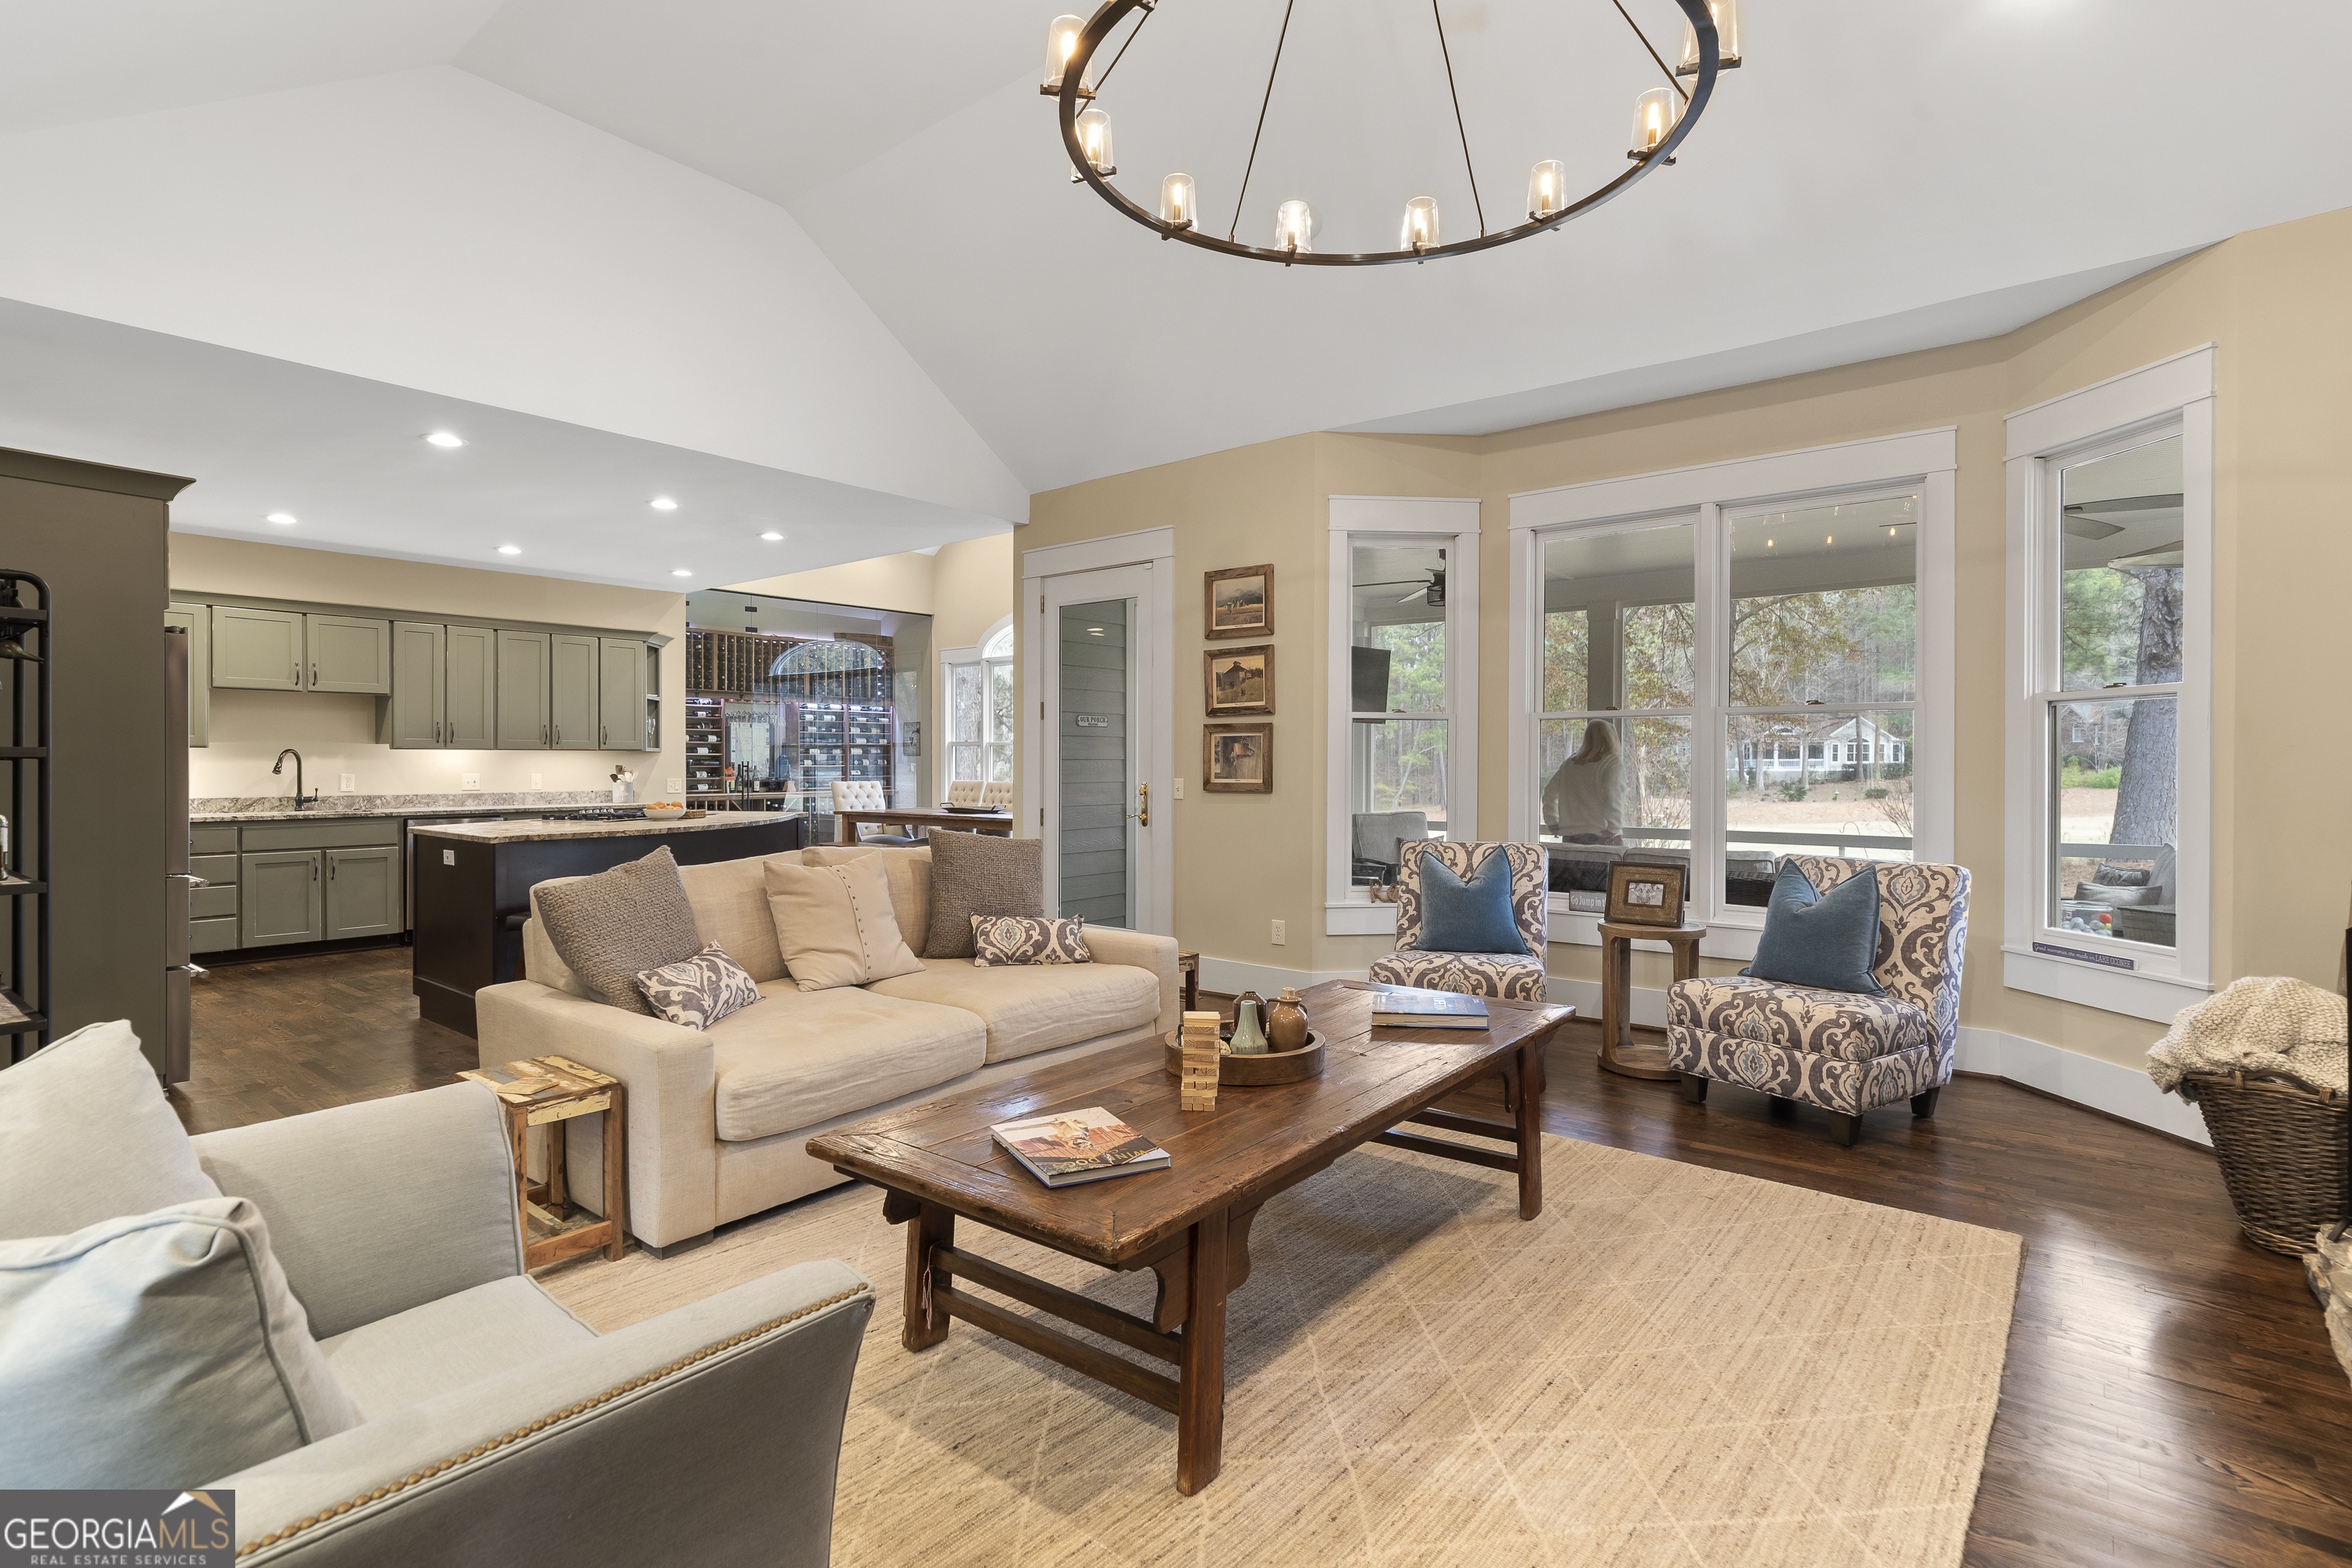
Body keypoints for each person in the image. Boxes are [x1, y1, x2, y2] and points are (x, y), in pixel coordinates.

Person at [1543, 719, 1624, 843]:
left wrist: (1552, 821)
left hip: (1570, 836)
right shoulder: (1612, 762)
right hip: (1601, 834)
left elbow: (1549, 791)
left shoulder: (1570, 763)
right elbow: (1612, 795)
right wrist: (1615, 827)